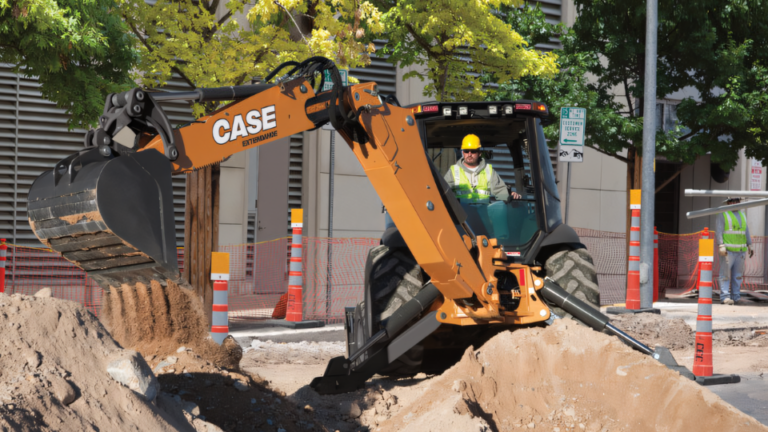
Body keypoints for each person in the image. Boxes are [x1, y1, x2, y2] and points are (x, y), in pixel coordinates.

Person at [444, 134, 520, 203]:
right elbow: (443, 192)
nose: (469, 154)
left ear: (479, 153)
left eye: (473, 151)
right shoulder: (453, 171)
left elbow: (500, 190)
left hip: (483, 213)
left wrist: (510, 195)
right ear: (463, 153)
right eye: (466, 151)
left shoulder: (488, 170)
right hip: (460, 214)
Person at [716, 197, 754, 305]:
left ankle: (736, 297)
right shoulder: (723, 214)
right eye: (733, 201)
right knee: (725, 275)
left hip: (740, 251)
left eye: (737, 201)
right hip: (728, 251)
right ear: (728, 203)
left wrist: (749, 244)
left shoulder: (742, 215)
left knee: (737, 276)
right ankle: (725, 297)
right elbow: (719, 230)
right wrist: (721, 244)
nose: (735, 203)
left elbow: (746, 230)